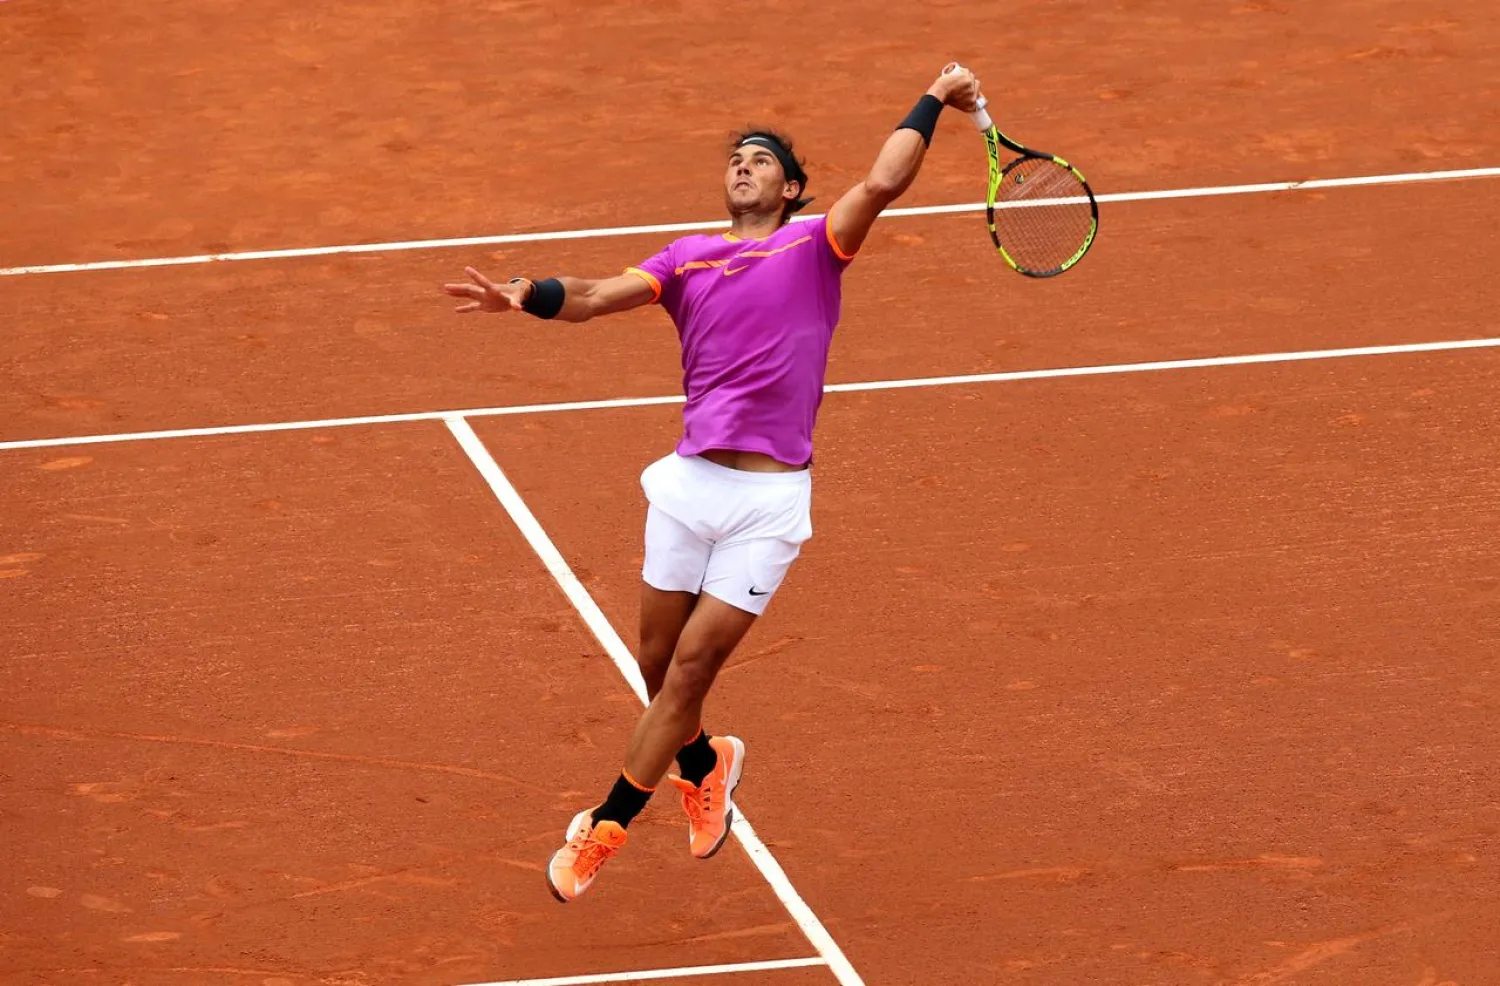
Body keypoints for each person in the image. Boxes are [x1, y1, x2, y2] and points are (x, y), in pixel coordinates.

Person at [443, 64, 983, 902]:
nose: (743, 166)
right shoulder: (687, 258)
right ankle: (705, 762)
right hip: (689, 487)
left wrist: (937, 98)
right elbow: (594, 295)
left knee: (692, 670)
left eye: (762, 160)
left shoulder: (817, 244)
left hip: (768, 504)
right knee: (656, 665)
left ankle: (606, 825)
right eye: (737, 158)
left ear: (791, 188)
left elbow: (882, 181)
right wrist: (528, 295)